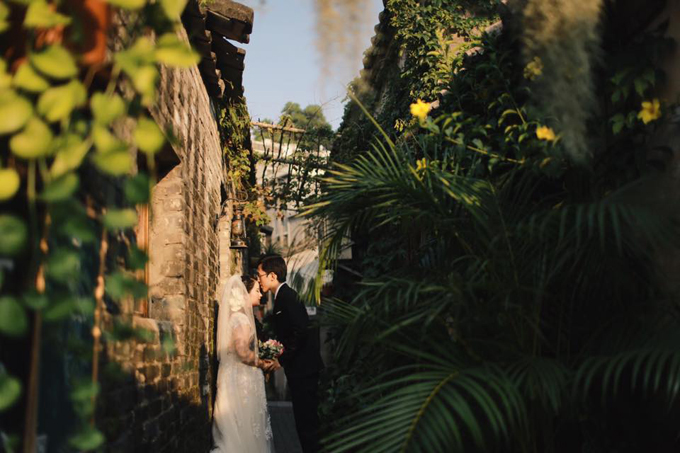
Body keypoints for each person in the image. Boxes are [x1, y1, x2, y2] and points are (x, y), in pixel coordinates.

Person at [257, 255, 324, 453]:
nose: (259, 280)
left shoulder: (287, 297)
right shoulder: (281, 297)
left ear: (272, 276)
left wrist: (281, 360)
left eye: (260, 275)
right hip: (300, 370)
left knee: (307, 424)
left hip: (304, 370)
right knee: (304, 423)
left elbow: (300, 331)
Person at [212, 274, 273, 453]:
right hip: (241, 378)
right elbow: (242, 351)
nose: (260, 294)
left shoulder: (235, 318)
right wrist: (262, 363)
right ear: (245, 294)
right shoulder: (242, 319)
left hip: (233, 374)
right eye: (256, 290)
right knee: (243, 425)